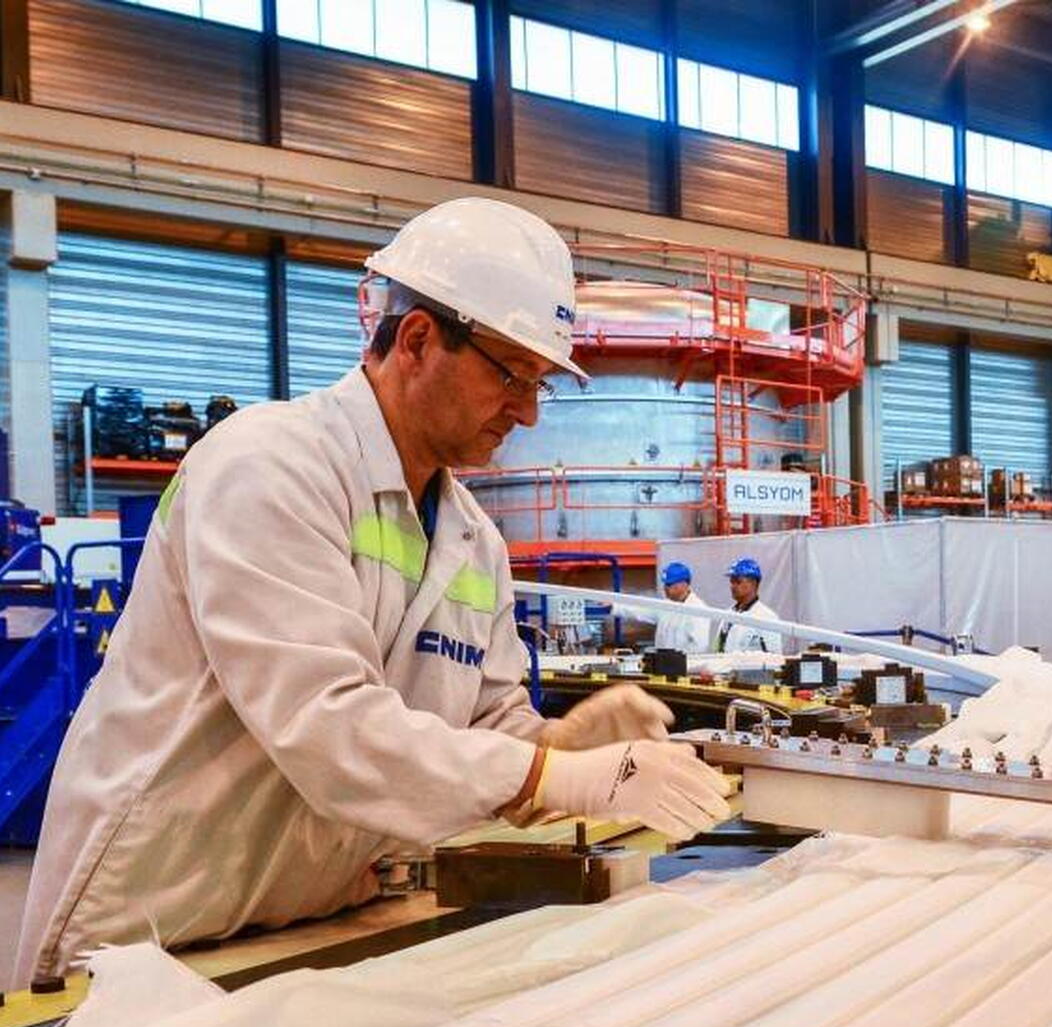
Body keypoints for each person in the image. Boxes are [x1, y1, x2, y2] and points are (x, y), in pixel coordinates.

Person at [13, 197, 729, 986]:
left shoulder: (471, 540)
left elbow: (484, 738)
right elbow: (326, 724)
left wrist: (566, 743)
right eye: (511, 374)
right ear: (418, 339)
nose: (527, 410)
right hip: (150, 938)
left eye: (540, 383)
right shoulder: (270, 465)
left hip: (313, 931)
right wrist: (560, 777)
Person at [716, 557, 781, 654]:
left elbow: (774, 658)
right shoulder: (726, 616)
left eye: (738, 581)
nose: (732, 586)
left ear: (753, 583)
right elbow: (718, 650)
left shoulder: (767, 617)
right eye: (731, 582)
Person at [652, 561, 712, 653]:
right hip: (664, 663)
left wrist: (678, 661)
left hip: (685, 665)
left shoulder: (698, 610)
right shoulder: (667, 606)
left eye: (669, 584)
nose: (665, 588)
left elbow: (700, 646)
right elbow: (641, 610)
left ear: (684, 584)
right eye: (665, 584)